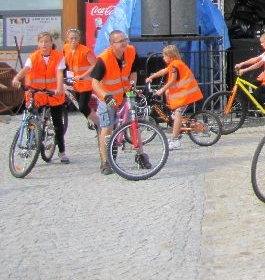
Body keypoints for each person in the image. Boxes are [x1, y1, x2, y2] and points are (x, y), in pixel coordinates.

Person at [90, 30, 144, 175]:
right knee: (107, 128)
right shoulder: (104, 59)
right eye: (120, 41)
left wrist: (132, 85)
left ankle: (141, 155)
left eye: (125, 40)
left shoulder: (131, 52)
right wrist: (106, 96)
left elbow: (133, 71)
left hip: (125, 93)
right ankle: (105, 162)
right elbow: (94, 83)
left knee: (134, 123)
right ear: (111, 44)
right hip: (107, 97)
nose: (124, 43)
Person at [11, 31, 69, 164]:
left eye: (47, 41)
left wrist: (59, 88)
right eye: (41, 42)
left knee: (57, 124)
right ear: (38, 44)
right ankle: (29, 144)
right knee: (31, 121)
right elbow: (26, 69)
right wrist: (17, 78)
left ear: (51, 43)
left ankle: (62, 151)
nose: (44, 44)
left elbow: (60, 73)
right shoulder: (33, 57)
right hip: (36, 94)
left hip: (53, 94)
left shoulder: (59, 56)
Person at [145, 45, 203, 150]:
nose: (163, 58)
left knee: (177, 114)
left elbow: (172, 81)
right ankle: (179, 128)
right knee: (174, 112)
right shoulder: (175, 64)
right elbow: (164, 71)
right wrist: (151, 77)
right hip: (185, 94)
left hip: (186, 95)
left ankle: (175, 140)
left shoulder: (175, 65)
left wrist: (161, 90)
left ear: (170, 56)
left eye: (165, 56)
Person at [63, 28, 99, 130]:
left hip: (86, 82)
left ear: (79, 39)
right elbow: (64, 61)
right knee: (79, 105)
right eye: (71, 38)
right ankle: (92, 120)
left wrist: (83, 75)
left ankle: (98, 122)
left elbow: (94, 64)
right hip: (75, 81)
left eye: (76, 38)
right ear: (67, 39)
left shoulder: (85, 50)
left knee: (83, 106)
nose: (73, 40)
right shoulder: (66, 48)